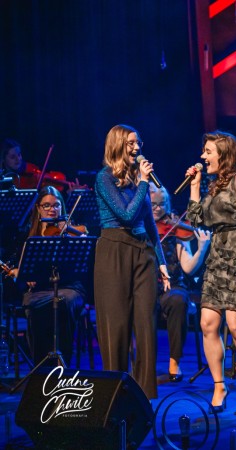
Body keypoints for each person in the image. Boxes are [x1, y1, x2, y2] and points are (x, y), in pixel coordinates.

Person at [184, 130, 236, 414]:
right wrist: (195, 187)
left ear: (224, 154)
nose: (203, 156)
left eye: (208, 152)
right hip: (217, 256)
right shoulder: (214, 185)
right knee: (208, 323)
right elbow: (196, 220)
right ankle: (219, 385)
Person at [93, 124, 170, 400]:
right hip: (114, 251)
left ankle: (145, 395)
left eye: (139, 143)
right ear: (117, 145)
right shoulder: (104, 178)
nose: (137, 148)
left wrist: (162, 262)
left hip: (142, 252)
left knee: (146, 324)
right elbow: (126, 215)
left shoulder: (138, 179)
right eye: (131, 144)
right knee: (116, 327)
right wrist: (144, 184)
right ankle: (115, 394)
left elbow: (149, 223)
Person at [6, 186, 86, 366]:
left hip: (69, 287)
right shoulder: (28, 234)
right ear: (38, 208)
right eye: (47, 205)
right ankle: (41, 367)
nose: (52, 209)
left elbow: (84, 243)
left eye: (56, 205)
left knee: (63, 301)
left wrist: (70, 231)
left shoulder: (67, 230)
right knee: (33, 306)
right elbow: (17, 265)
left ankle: (63, 364)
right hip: (39, 290)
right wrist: (23, 273)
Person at [150, 183, 211, 382]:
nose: (157, 208)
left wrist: (202, 248)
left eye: (162, 204)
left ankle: (174, 363)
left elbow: (188, 267)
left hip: (173, 285)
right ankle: (143, 364)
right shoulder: (140, 228)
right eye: (153, 204)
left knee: (178, 300)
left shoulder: (175, 230)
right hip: (146, 286)